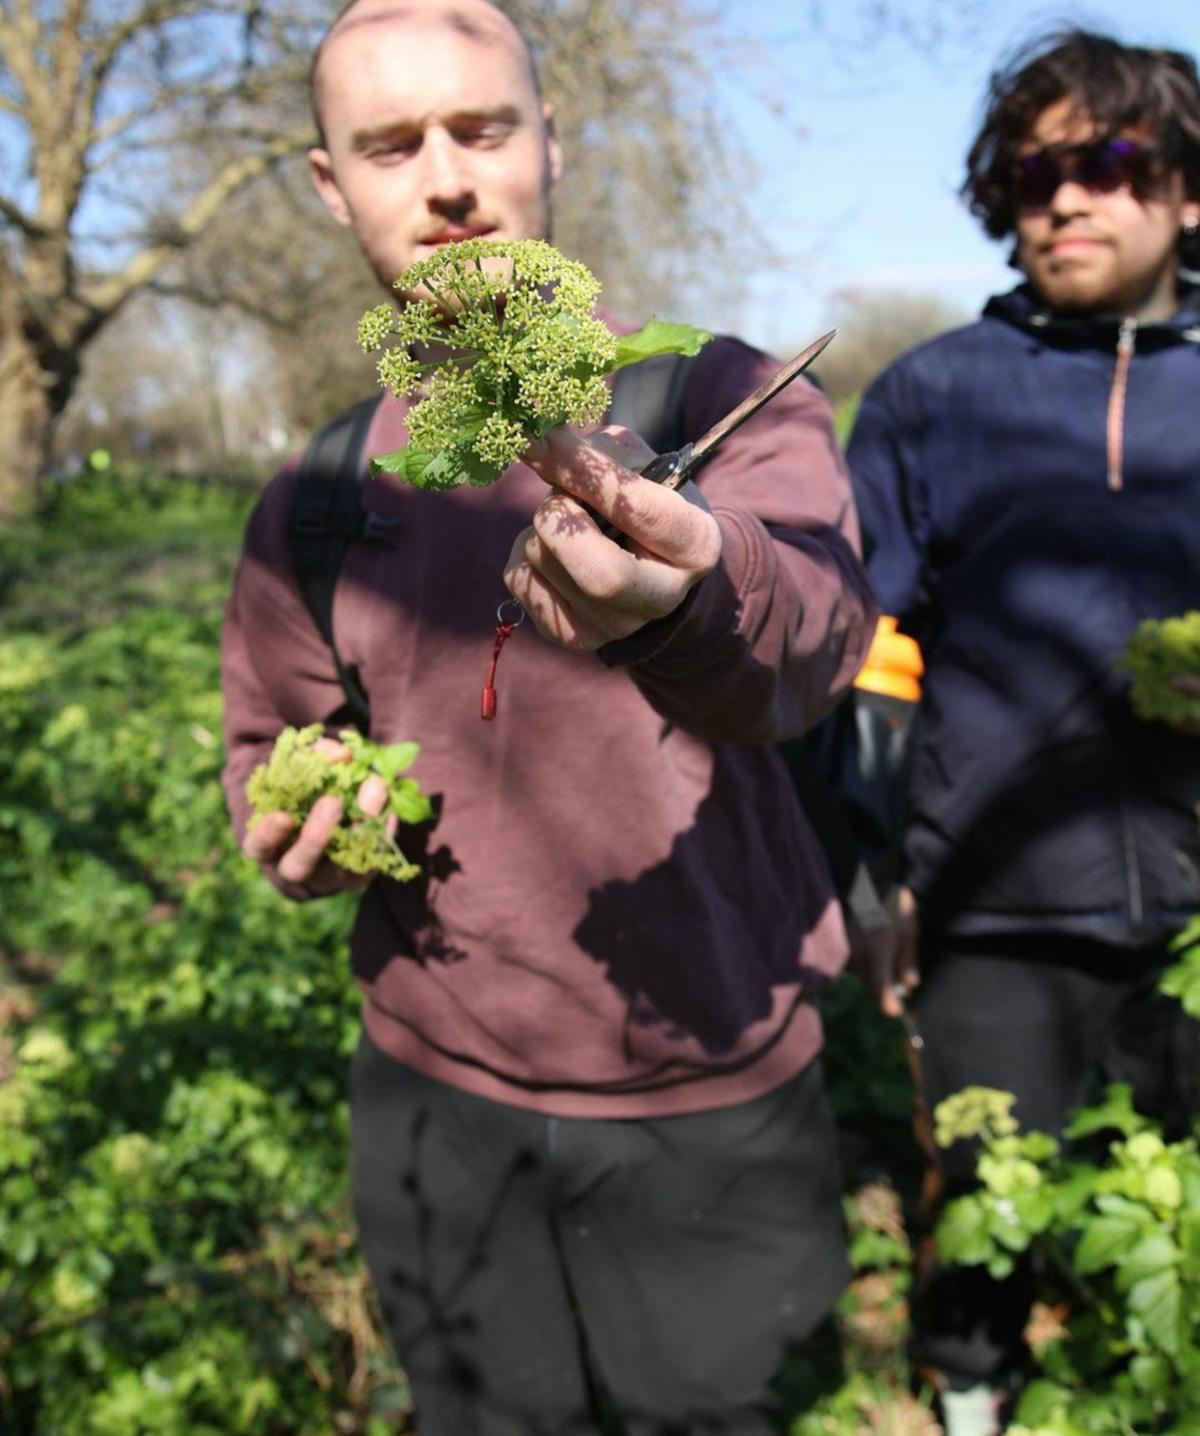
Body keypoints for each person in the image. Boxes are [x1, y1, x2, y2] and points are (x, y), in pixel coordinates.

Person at [219, 2, 877, 1432]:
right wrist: (301, 827)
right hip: (435, 1097)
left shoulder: (719, 390)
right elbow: (263, 749)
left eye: (483, 126)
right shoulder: (319, 494)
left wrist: (694, 592)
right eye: (391, 145)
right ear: (333, 184)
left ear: (551, 142)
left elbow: (816, 639)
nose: (446, 178)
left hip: (709, 1083)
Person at [846, 28, 1200, 1435]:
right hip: (992, 906)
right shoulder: (935, 396)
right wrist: (876, 875)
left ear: (1188, 191)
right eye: (1033, 169)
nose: (1066, 196)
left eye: (1113, 161)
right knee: (984, 1222)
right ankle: (977, 1409)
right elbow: (866, 653)